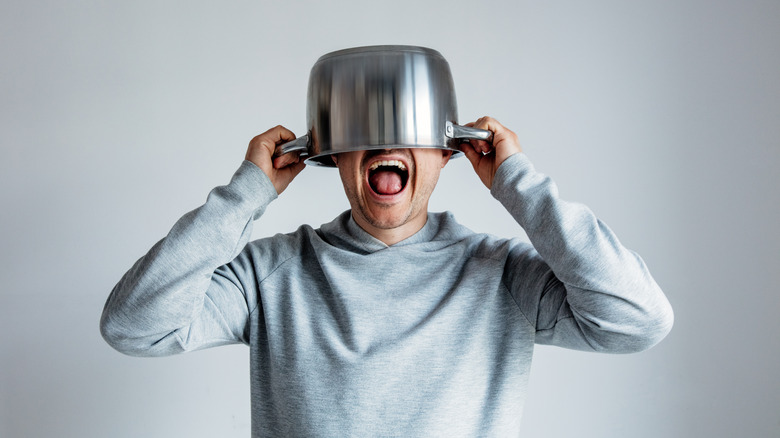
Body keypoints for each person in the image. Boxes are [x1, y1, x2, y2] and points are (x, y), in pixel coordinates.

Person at [100, 117, 673, 437]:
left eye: (409, 124)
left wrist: (517, 183)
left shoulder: (502, 275)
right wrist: (244, 194)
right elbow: (134, 327)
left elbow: (637, 320)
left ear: (449, 151)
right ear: (331, 154)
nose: (385, 141)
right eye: (364, 126)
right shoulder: (269, 273)